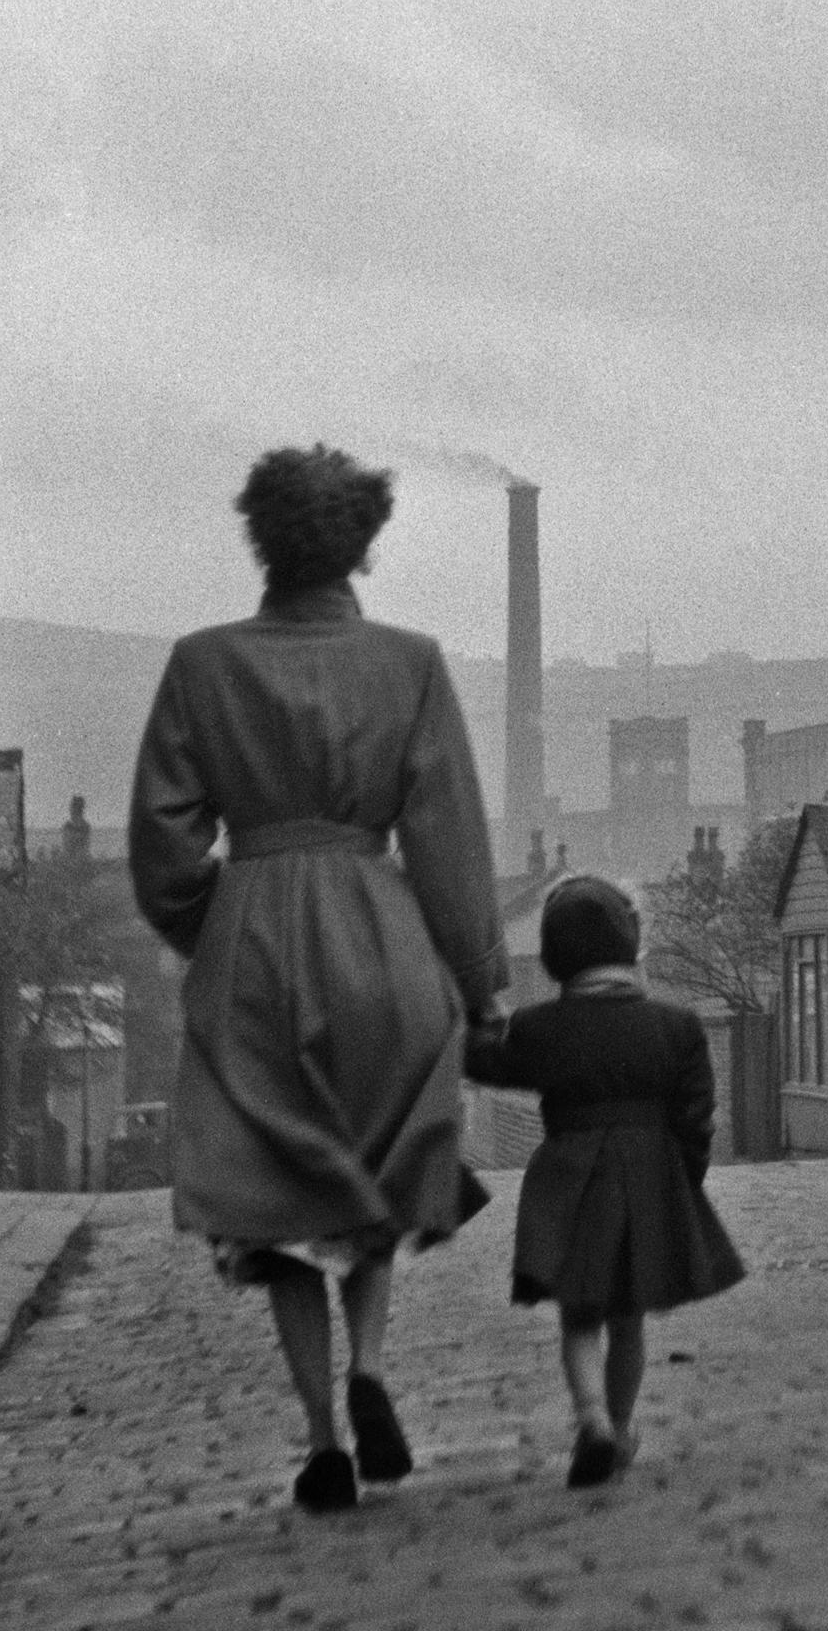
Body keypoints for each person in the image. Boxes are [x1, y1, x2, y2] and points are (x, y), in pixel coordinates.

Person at [130, 445, 507, 1515]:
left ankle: (321, 1438)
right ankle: (371, 1366)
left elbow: (162, 847)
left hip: (252, 945)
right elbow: (448, 843)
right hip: (381, 949)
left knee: (274, 1203)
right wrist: (479, 981)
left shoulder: (202, 664)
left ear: (262, 541)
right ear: (363, 546)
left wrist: (215, 924)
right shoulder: (411, 664)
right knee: (372, 1174)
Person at [466, 874, 747, 1485]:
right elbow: (696, 1118)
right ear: (631, 946)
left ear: (553, 956)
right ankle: (619, 1428)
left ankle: (589, 1417)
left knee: (579, 1317)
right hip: (648, 1181)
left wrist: (485, 1019)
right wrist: (681, 1182)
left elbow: (485, 1064)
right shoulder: (677, 1027)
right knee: (628, 1321)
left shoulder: (539, 1028)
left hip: (570, 1184)